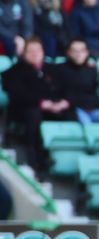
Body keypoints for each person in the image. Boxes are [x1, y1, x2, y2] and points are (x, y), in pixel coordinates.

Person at [1, 37, 67, 172]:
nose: (35, 54)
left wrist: (62, 102)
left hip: (52, 108)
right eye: (30, 51)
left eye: (38, 50)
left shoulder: (53, 69)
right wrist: (41, 103)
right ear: (23, 53)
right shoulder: (14, 72)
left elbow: (65, 89)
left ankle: (58, 156)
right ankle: (34, 160)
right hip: (25, 110)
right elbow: (18, 95)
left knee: (70, 113)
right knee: (34, 114)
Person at [54, 39, 99, 124]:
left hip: (91, 109)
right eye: (75, 51)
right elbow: (62, 95)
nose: (79, 54)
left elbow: (94, 94)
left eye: (82, 51)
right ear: (68, 52)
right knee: (86, 122)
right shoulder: (61, 70)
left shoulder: (92, 70)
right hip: (73, 109)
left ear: (87, 52)